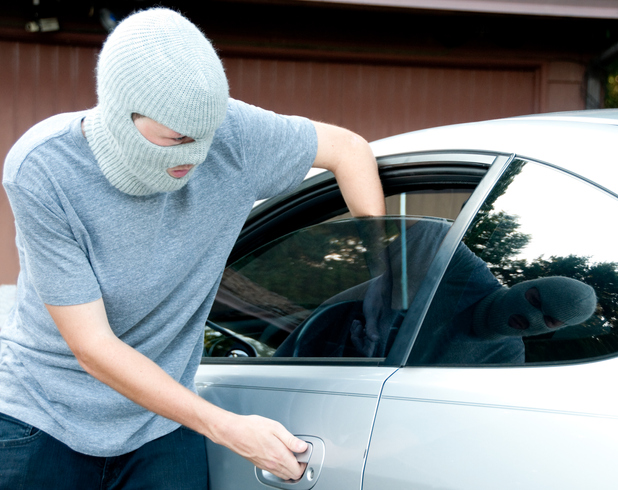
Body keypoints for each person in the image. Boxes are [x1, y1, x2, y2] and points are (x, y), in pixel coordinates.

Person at [0, 8, 384, 489]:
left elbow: (349, 150)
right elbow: (92, 346)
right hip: (43, 419)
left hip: (160, 425)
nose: (194, 156)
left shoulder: (233, 135)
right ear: (124, 113)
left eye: (203, 138)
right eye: (176, 139)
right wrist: (229, 429)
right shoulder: (45, 167)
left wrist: (386, 272)